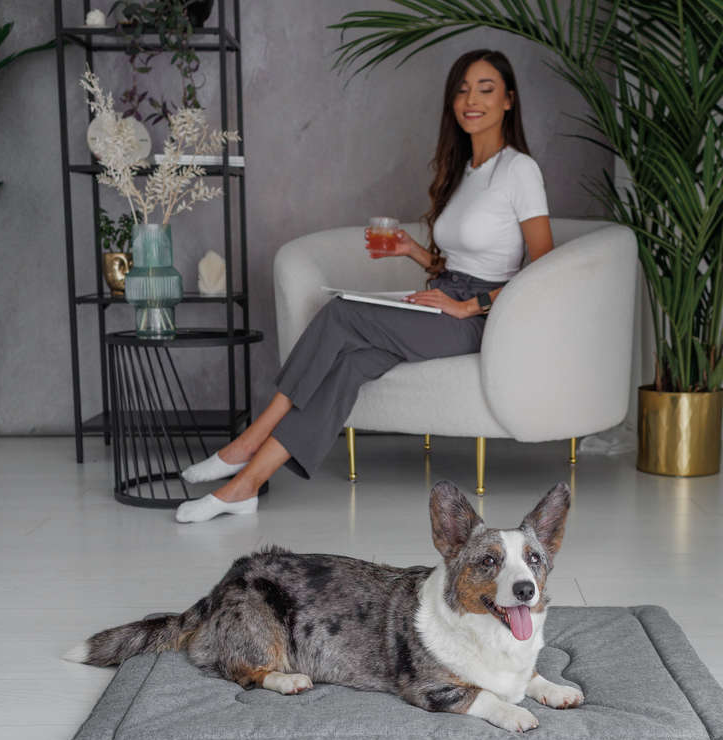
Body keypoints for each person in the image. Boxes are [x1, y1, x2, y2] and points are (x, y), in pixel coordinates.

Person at [175, 49, 554, 523]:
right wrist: (414, 253)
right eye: (462, 90)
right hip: (445, 297)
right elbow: (460, 261)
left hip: (480, 318)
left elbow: (542, 271)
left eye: (485, 89)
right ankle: (244, 487)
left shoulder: (520, 170)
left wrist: (470, 306)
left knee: (341, 313)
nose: (471, 100)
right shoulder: (464, 172)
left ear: (508, 100)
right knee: (349, 364)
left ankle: (248, 442)